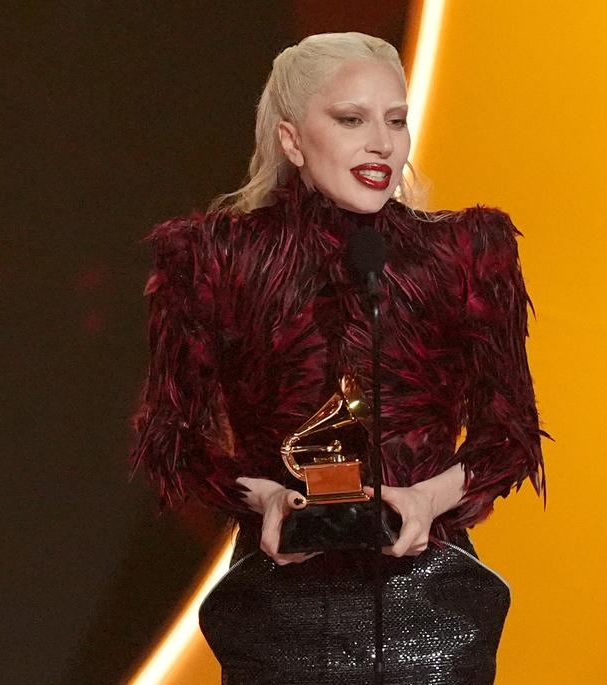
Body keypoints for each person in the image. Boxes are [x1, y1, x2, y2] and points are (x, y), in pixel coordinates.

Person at [131, 32, 545, 684]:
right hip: (281, 609)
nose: (381, 141)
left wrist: (426, 499)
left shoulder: (466, 252)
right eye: (351, 120)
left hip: (428, 603)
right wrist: (266, 498)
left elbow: (510, 434)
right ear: (293, 140)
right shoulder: (216, 259)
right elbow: (173, 441)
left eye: (396, 119)